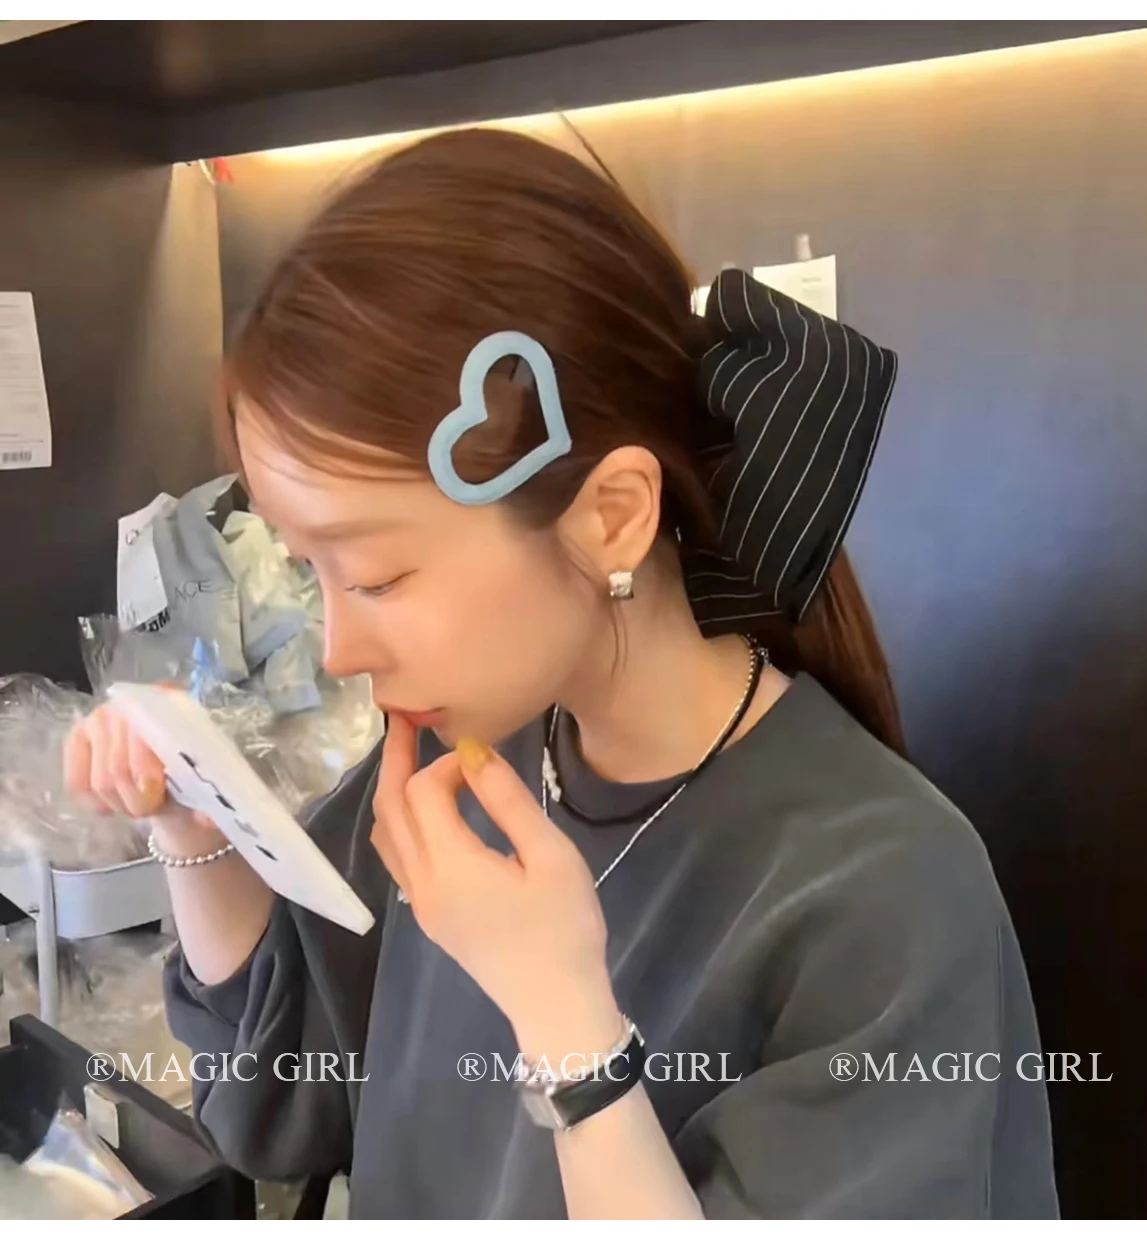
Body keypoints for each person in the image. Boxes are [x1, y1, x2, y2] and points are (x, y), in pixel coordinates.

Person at [64, 128, 1058, 1219]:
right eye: (311, 571)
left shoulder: (883, 890)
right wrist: (191, 823)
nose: (338, 648)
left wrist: (565, 1018)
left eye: (378, 576)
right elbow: (277, 1102)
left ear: (611, 515)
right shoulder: (463, 768)